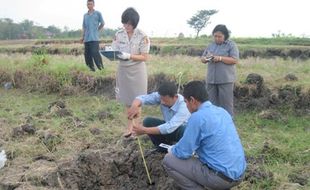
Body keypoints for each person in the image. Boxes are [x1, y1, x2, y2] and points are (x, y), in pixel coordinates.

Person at [163, 81, 246, 190]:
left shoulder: (197, 117)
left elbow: (183, 152)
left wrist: (172, 149)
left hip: (221, 179)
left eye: (186, 102)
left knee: (169, 160)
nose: (186, 106)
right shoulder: (222, 111)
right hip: (240, 174)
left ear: (192, 100)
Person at [112, 7, 150, 137]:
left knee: (137, 100)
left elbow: (145, 57)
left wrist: (129, 56)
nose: (126, 26)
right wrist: (111, 54)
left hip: (137, 70)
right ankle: (129, 127)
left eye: (129, 24)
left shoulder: (142, 36)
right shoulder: (118, 34)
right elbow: (114, 51)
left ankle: (135, 128)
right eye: (124, 23)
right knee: (127, 100)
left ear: (134, 23)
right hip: (123, 70)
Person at [127, 82, 191, 152]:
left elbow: (170, 127)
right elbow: (142, 98)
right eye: (161, 99)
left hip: (182, 133)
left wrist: (144, 130)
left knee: (184, 129)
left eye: (165, 100)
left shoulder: (184, 106)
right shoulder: (161, 96)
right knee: (148, 121)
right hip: (169, 129)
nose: (162, 102)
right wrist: (134, 106)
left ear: (175, 97)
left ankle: (181, 149)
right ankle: (162, 147)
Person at [201, 24, 239, 117]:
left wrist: (220, 58)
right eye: (215, 36)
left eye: (220, 36)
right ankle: (213, 124)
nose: (217, 38)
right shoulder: (210, 45)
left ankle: (228, 124)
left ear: (225, 36)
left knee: (226, 105)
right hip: (211, 80)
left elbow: (234, 60)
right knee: (210, 104)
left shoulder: (231, 45)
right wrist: (205, 59)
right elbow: (202, 58)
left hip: (225, 80)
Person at [81, 0, 104, 71]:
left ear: (94, 5)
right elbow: (84, 27)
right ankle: (91, 69)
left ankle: (101, 69)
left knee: (95, 53)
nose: (89, 5)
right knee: (87, 55)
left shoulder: (98, 13)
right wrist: (82, 36)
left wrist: (97, 30)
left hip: (94, 38)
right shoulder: (85, 15)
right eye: (88, 4)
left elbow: (102, 23)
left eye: (90, 4)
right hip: (87, 39)